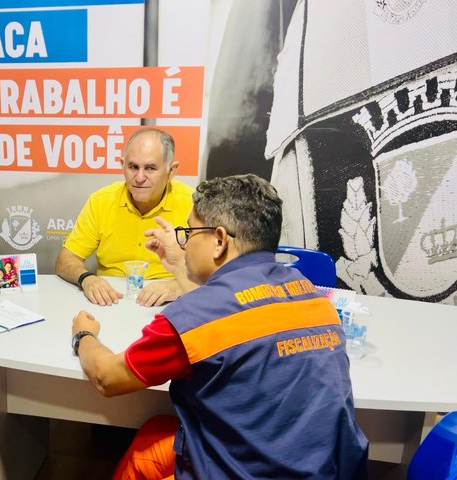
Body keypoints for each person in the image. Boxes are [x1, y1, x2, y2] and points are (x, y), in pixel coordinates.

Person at [71, 174, 368, 479]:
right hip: (320, 467)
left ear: (219, 240)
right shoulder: (313, 297)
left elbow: (107, 379)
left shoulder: (191, 319)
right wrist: (177, 265)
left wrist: (84, 336)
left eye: (188, 232)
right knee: (153, 436)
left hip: (242, 471)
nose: (183, 243)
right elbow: (230, 311)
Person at [55, 128, 194, 307]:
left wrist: (177, 286)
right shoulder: (101, 201)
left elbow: (216, 270)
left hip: (171, 303)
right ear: (123, 165)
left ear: (171, 171)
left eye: (150, 168)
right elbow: (65, 259)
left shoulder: (193, 204)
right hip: (111, 301)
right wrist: (87, 279)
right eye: (133, 167)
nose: (139, 177)